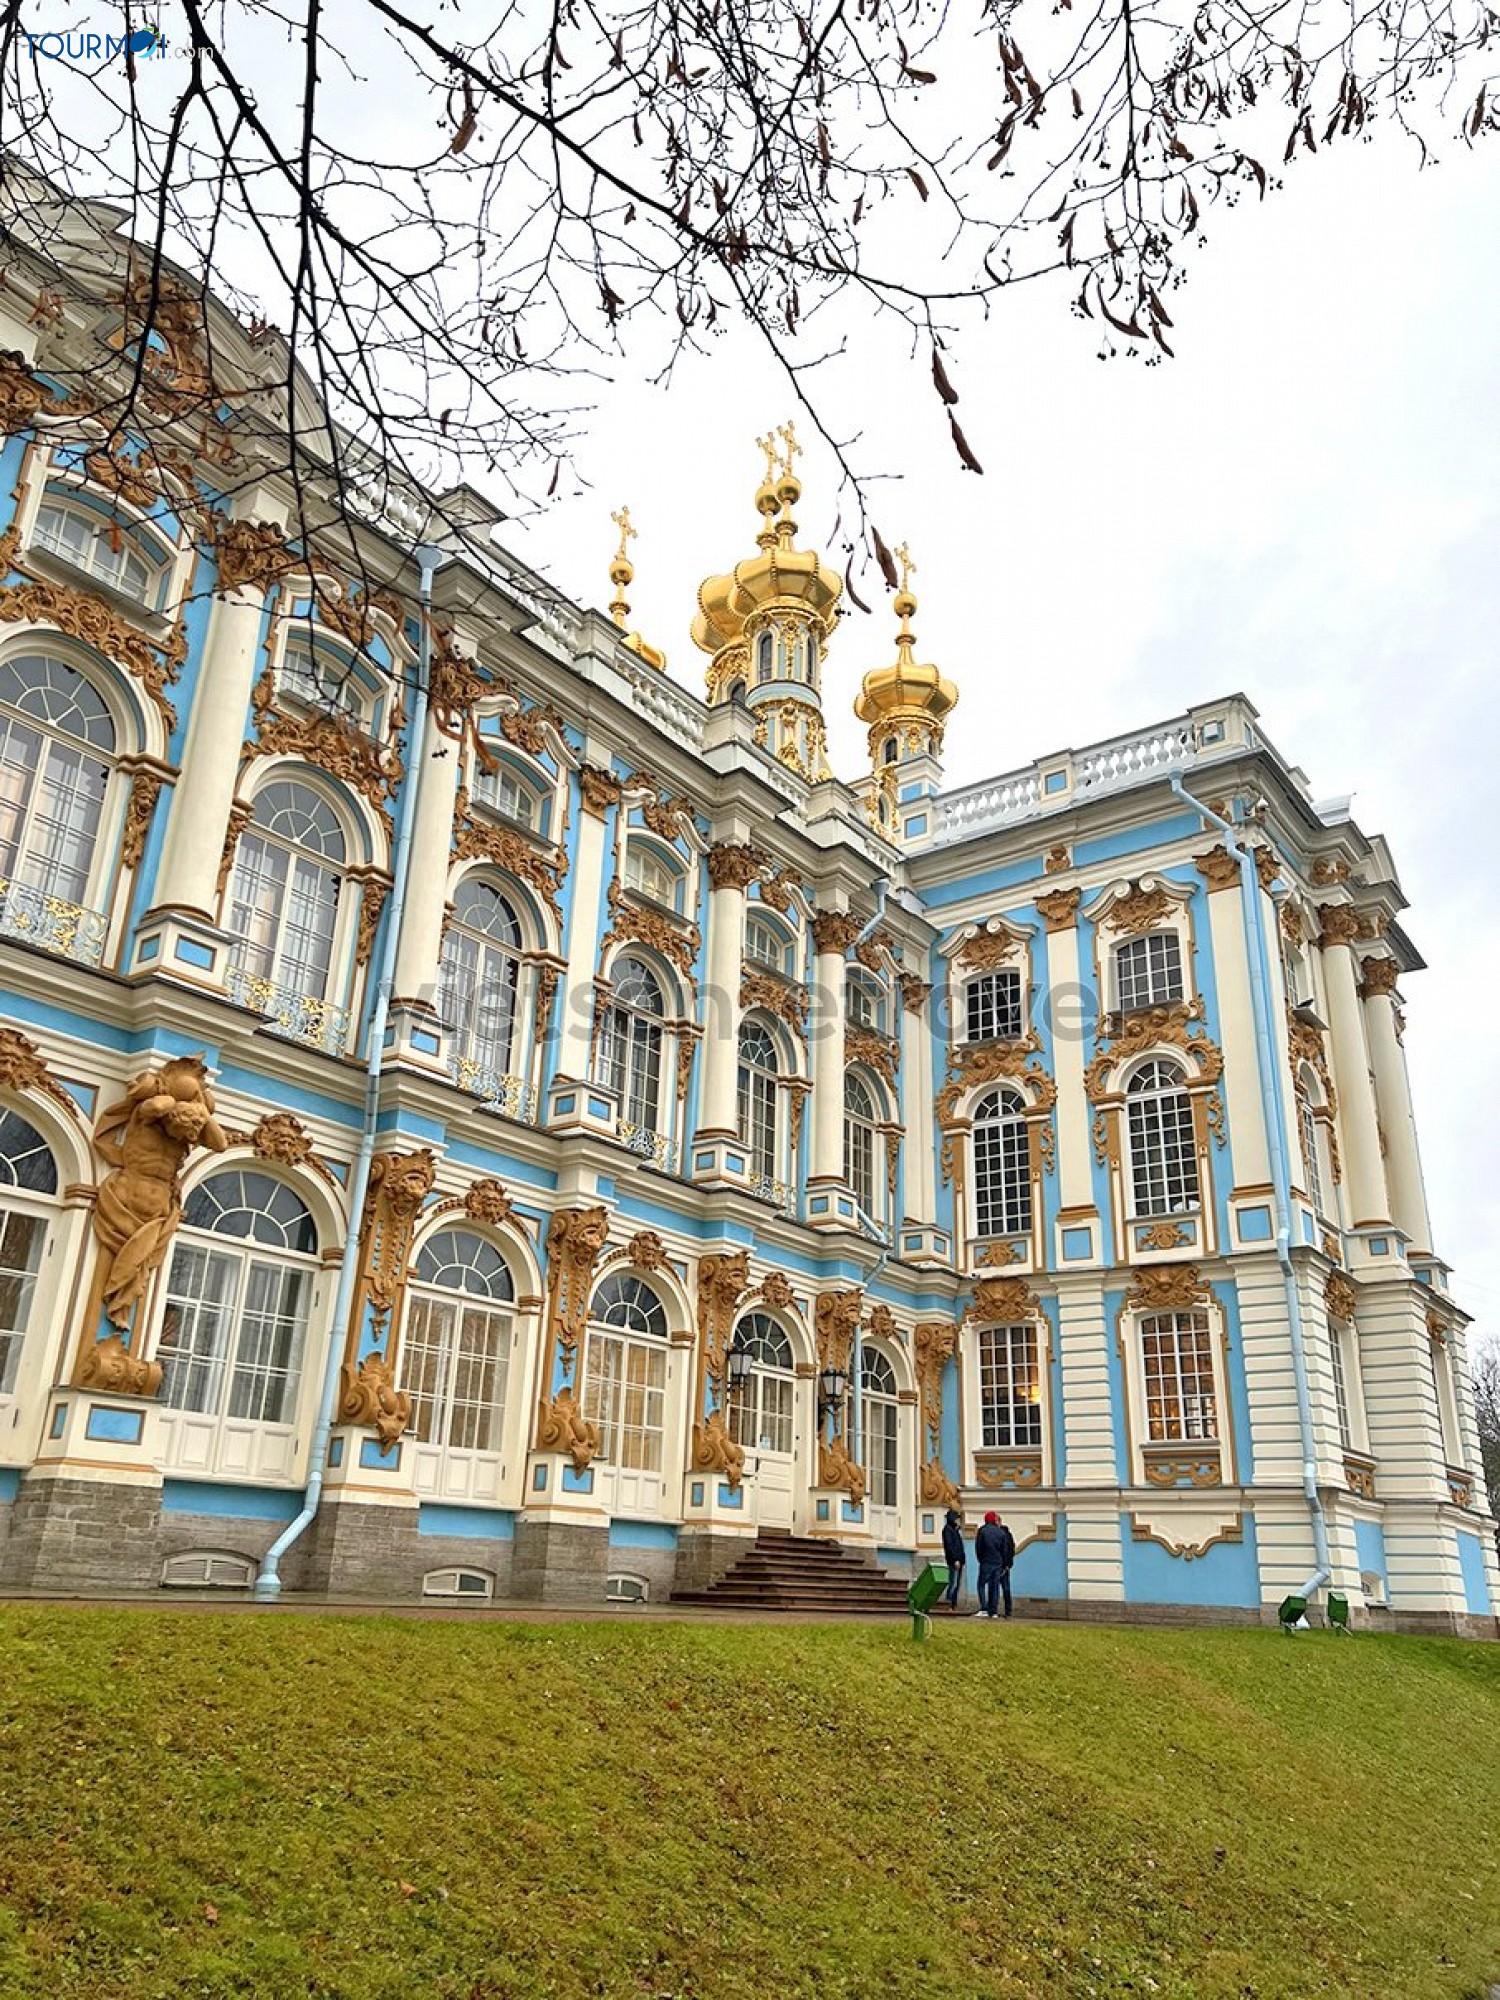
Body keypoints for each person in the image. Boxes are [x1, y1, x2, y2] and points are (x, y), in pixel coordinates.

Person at [973, 1510, 1018, 1619]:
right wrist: (1003, 1563)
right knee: (995, 1587)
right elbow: (1005, 1550)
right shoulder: (1001, 1533)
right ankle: (993, 1611)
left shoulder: (982, 1531)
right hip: (998, 1563)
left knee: (981, 1585)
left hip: (986, 1562)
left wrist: (981, 1559)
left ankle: (984, 1608)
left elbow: (979, 1548)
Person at [940, 1508, 966, 1611]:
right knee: (953, 1583)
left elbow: (959, 1546)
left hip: (959, 1560)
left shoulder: (955, 1530)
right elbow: (950, 1546)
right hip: (954, 1561)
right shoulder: (948, 1530)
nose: (957, 1520)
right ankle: (948, 1603)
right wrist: (955, 1559)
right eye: (956, 1518)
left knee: (957, 1584)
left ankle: (953, 1604)